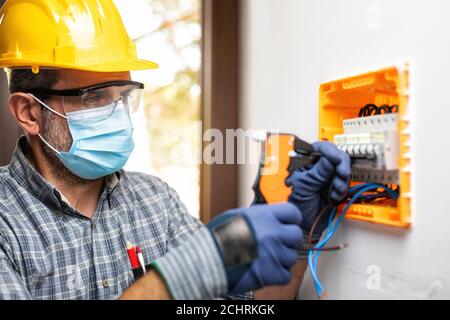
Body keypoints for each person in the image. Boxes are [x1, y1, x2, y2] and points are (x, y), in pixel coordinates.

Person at [0, 0, 350, 300]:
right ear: (29, 112)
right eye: (94, 96)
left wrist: (299, 228)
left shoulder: (156, 201)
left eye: (122, 95)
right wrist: (177, 278)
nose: (117, 113)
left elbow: (250, 302)